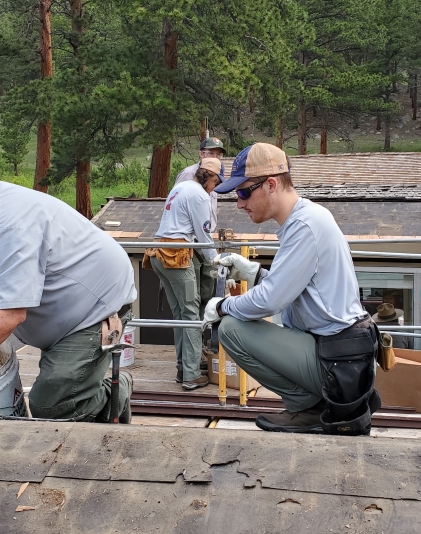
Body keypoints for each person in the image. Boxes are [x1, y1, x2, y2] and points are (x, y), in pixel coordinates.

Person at [0, 161, 137, 422]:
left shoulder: (8, 224)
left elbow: (10, 314)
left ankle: (116, 393)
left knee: (52, 404)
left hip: (92, 310)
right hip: (64, 315)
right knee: (63, 391)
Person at [202, 143, 379, 435]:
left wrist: (221, 306)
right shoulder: (306, 218)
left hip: (337, 362)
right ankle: (312, 406)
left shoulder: (304, 226)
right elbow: (296, 286)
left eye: (244, 192)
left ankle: (309, 407)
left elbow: (270, 300)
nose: (240, 204)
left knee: (232, 328)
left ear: (271, 184)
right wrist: (255, 272)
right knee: (237, 322)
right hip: (339, 354)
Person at [144, 158, 222, 390]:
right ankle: (190, 374)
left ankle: (183, 367)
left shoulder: (179, 187)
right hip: (176, 256)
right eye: (216, 181)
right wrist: (216, 261)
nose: (215, 187)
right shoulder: (200, 194)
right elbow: (203, 234)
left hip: (158, 252)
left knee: (179, 313)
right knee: (190, 314)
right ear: (210, 176)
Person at [174, 137, 226, 311]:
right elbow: (176, 203)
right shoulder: (189, 174)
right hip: (191, 239)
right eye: (211, 153)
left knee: (208, 287)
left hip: (207, 236)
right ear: (201, 154)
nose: (215, 157)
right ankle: (194, 329)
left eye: (218, 154)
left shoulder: (216, 175)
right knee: (193, 290)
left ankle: (204, 329)